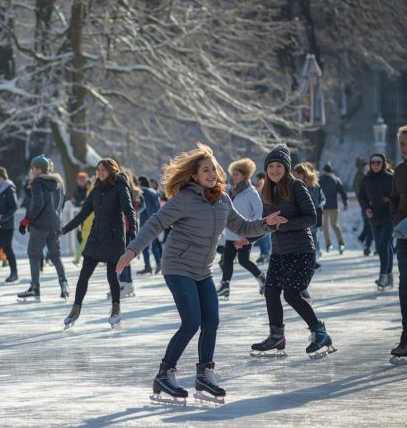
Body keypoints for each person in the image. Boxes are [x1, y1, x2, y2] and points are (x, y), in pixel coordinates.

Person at [115, 144, 283, 404]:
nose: (211, 173)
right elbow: (155, 223)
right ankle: (164, 373)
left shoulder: (223, 199)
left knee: (212, 320)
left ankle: (205, 374)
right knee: (192, 321)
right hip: (178, 267)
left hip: (203, 270)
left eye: (213, 169)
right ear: (194, 176)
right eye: (205, 170)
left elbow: (241, 226)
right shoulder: (183, 199)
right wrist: (132, 251)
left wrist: (266, 224)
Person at [248, 144, 336, 360]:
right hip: (280, 253)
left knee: (292, 294)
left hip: (302, 251)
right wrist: (248, 239)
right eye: (271, 166)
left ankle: (320, 333)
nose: (274, 170)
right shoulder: (267, 191)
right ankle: (276, 335)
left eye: (279, 166)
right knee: (270, 291)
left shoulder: (296, 186)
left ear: (286, 168)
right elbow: (269, 224)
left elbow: (312, 217)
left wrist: (284, 225)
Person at [60, 159, 136, 330]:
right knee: (84, 275)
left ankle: (116, 308)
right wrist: (64, 230)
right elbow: (83, 214)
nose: (100, 173)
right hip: (96, 237)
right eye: (98, 170)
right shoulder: (95, 190)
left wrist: (133, 231)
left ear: (111, 170)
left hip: (114, 237)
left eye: (103, 170)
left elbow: (129, 210)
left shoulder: (120, 188)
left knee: (111, 276)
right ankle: (75, 309)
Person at [17, 154, 69, 301]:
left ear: (39, 169)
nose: (32, 170)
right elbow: (62, 205)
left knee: (34, 255)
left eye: (33, 168)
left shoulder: (37, 183)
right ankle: (64, 284)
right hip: (55, 224)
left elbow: (37, 204)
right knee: (55, 256)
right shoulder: (58, 183)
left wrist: (26, 220)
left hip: (40, 226)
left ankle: (35, 287)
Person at [216, 158, 266, 300]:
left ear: (245, 175)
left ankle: (262, 278)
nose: (234, 177)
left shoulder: (251, 192)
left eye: (237, 174)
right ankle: (225, 286)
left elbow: (259, 211)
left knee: (244, 260)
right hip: (230, 233)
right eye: (233, 174)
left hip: (245, 233)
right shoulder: (231, 191)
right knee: (227, 260)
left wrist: (252, 227)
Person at [389, 124, 407, 364]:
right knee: (406, 284)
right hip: (405, 240)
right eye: (403, 144)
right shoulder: (399, 171)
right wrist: (396, 217)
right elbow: (394, 199)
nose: (406, 148)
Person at [358, 153, 395, 291]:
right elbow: (361, 197)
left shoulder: (391, 178)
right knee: (385, 246)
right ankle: (389, 275)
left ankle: (383, 276)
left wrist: (390, 199)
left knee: (382, 245)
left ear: (383, 163)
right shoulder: (366, 179)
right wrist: (366, 208)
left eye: (378, 162)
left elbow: (399, 195)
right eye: (373, 162)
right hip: (374, 218)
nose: (375, 165)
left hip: (388, 217)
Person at [293, 163, 325, 269]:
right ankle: (311, 260)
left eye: (296, 174)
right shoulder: (298, 184)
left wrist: (319, 207)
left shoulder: (310, 185)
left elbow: (322, 199)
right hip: (309, 214)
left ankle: (310, 260)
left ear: (302, 174)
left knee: (309, 237)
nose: (294, 176)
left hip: (309, 214)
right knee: (311, 237)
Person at [319, 163, 348, 253]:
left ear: (324, 171)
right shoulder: (336, 180)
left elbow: (317, 193)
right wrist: (345, 203)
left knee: (325, 226)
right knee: (334, 225)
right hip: (333, 207)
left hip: (324, 207)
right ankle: (341, 243)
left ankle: (329, 244)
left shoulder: (320, 180)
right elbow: (342, 192)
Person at [136, 176, 161, 276]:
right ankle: (158, 263)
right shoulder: (154, 192)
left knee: (144, 245)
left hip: (144, 220)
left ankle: (148, 266)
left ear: (140, 182)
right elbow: (158, 206)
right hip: (155, 219)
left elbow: (141, 206)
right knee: (154, 243)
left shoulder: (141, 191)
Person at [252, 172, 272, 264]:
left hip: (266, 215)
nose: (256, 181)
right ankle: (265, 254)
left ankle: (265, 254)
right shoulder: (258, 189)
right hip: (261, 216)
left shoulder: (265, 188)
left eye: (257, 179)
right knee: (264, 236)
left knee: (264, 236)